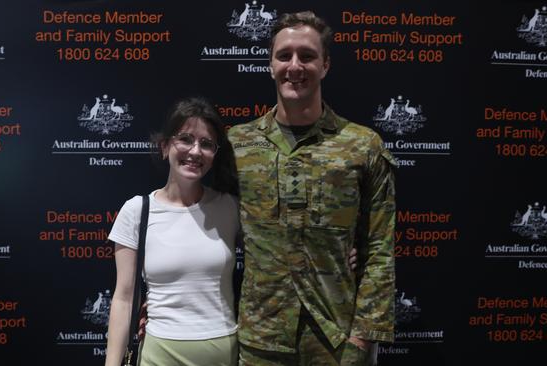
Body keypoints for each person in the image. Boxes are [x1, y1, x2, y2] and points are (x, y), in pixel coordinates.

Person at [227, 11, 397, 365]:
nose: (295, 66)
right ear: (270, 65)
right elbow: (202, 225)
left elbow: (380, 248)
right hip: (261, 340)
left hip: (336, 340)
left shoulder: (363, 145)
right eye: (284, 55)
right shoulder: (237, 144)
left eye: (307, 56)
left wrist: (363, 338)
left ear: (325, 65)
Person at [104, 97, 240, 366]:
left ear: (214, 155)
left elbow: (273, 251)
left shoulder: (230, 207)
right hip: (159, 354)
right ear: (165, 147)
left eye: (206, 143)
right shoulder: (136, 211)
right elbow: (123, 297)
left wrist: (348, 251)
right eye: (185, 139)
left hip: (222, 352)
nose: (195, 151)